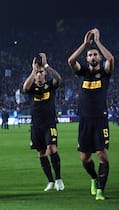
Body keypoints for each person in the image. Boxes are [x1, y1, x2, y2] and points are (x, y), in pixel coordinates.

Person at [68, 28, 114, 200]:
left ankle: (101, 190)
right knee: (85, 158)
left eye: (95, 55)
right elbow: (71, 60)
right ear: (87, 59)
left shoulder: (105, 73)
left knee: (102, 155)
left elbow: (111, 59)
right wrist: (85, 44)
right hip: (85, 121)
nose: (93, 57)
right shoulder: (83, 73)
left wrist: (98, 42)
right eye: (90, 55)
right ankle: (94, 179)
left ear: (98, 58)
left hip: (100, 120)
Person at [23, 53, 64, 192]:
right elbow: (25, 88)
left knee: (51, 149)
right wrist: (32, 70)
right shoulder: (32, 89)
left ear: (45, 74)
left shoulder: (50, 86)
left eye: (41, 72)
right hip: (36, 126)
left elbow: (58, 78)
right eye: (37, 72)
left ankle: (58, 179)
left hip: (49, 124)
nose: (39, 75)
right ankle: (50, 181)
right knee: (41, 153)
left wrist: (46, 65)